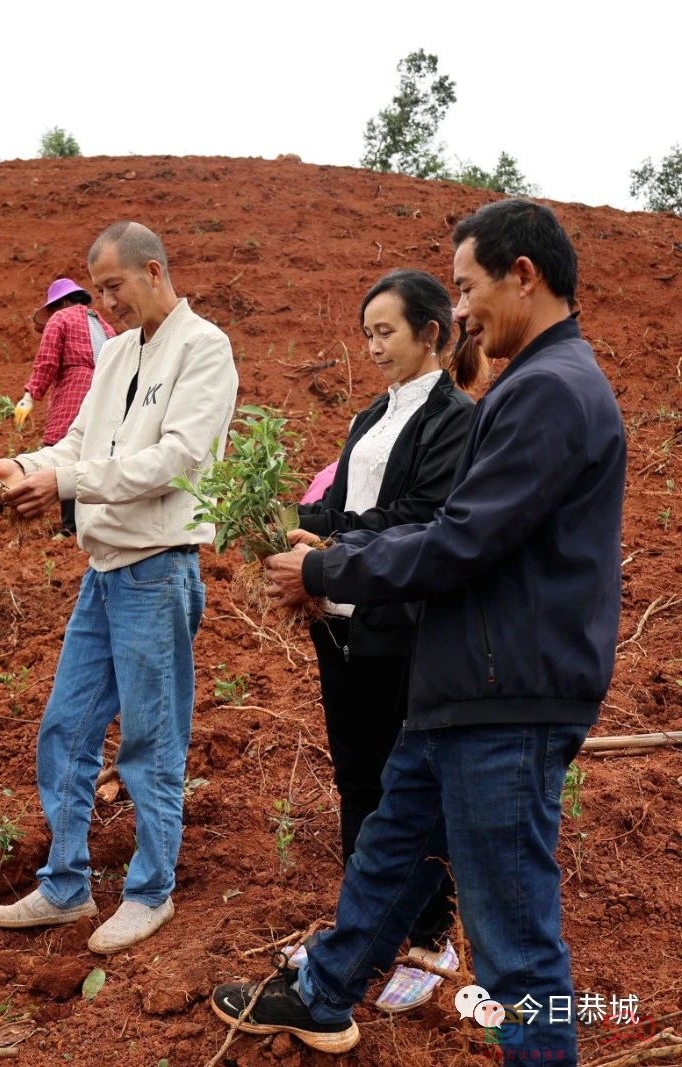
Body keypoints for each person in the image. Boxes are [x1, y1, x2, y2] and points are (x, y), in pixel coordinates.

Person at [211, 200, 625, 1062]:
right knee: (389, 860)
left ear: (525, 275)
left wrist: (327, 570)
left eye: (469, 288)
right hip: (465, 689)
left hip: (507, 700)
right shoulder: (532, 384)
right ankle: (324, 994)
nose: (463, 310)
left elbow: (460, 539)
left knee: (514, 945)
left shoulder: (551, 390)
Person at [0, 222, 238, 954]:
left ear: (154, 271)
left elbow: (177, 460)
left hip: (158, 567)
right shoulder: (118, 351)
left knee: (152, 739)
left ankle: (150, 889)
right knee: (65, 726)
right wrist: (27, 464)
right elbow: (77, 445)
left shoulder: (203, 348)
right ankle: (65, 883)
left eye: (113, 286)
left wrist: (66, 481)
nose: (105, 303)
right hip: (106, 569)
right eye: (97, 289)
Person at [291, 269, 486, 1013]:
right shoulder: (373, 413)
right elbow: (340, 497)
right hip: (342, 619)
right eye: (367, 333)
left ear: (431, 333)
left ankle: (432, 939)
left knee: (411, 790)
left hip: (402, 625)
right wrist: (297, 520)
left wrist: (328, 541)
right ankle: (359, 933)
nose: (372, 348)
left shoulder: (455, 418)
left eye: (386, 332)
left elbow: (425, 514)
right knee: (357, 780)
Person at [13, 277, 116, 535]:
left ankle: (69, 528)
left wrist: (29, 396)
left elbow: (47, 362)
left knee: (64, 452)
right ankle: (91, 523)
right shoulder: (106, 326)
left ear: (62, 303)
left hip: (74, 391)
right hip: (106, 394)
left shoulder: (60, 319)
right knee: (94, 455)